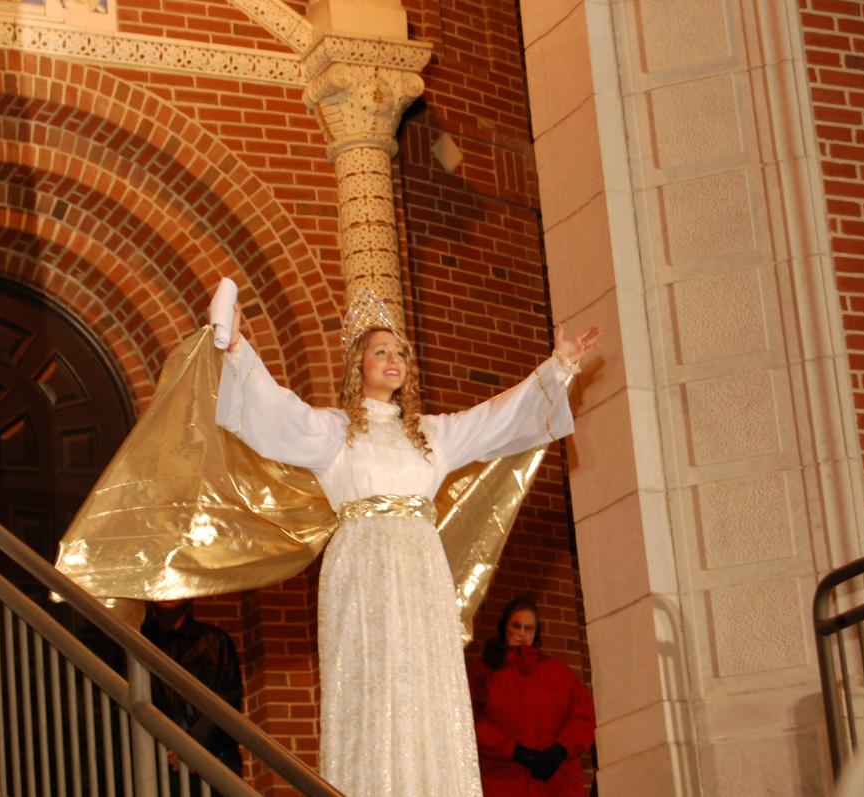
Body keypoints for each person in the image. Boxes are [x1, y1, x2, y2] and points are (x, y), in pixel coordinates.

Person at [215, 290, 600, 797]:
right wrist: (238, 345)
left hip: (420, 566)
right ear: (359, 365)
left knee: (424, 683)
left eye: (400, 353)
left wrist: (558, 369)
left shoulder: (431, 434)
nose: (393, 360)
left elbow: (496, 417)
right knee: (374, 685)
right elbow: (278, 413)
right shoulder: (335, 432)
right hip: (362, 566)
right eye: (381, 351)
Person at [468, 597, 596, 796]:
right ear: (504, 628)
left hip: (557, 784)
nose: (522, 634)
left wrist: (561, 750)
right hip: (506, 782)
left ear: (536, 633)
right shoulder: (483, 674)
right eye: (516, 626)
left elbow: (584, 715)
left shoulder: (559, 673)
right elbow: (471, 723)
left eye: (528, 628)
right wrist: (514, 751)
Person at [141, 599, 243, 795]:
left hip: (214, 760)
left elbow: (228, 700)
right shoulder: (137, 641)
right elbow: (127, 704)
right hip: (157, 765)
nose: (168, 592)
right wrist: (167, 746)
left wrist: (193, 744)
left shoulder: (216, 641)